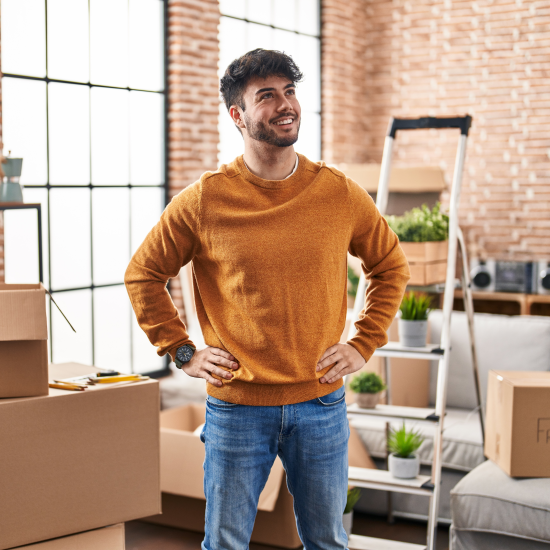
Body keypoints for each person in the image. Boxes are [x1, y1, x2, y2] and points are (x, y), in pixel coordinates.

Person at [125, 48, 410, 550]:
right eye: (267, 96)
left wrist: (363, 343)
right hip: (236, 408)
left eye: (290, 91)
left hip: (321, 401)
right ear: (237, 115)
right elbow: (143, 274)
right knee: (226, 543)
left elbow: (390, 266)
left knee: (327, 542)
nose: (286, 105)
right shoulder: (204, 200)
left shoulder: (338, 193)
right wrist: (182, 351)